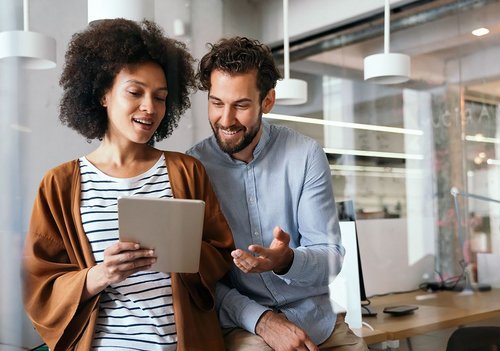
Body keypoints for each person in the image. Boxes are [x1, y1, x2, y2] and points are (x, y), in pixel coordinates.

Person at [22, 19, 234, 350]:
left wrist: (183, 251)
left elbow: (221, 253)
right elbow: (39, 285)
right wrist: (100, 275)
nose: (150, 107)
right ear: (103, 94)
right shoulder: (59, 185)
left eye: (161, 97)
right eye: (135, 92)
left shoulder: (187, 171)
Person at [187, 37, 368, 351]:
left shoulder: (305, 155)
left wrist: (287, 261)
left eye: (241, 105)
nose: (226, 119)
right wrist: (262, 320)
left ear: (267, 101)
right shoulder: (193, 168)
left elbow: (331, 257)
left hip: (317, 323)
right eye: (217, 103)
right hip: (246, 326)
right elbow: (199, 279)